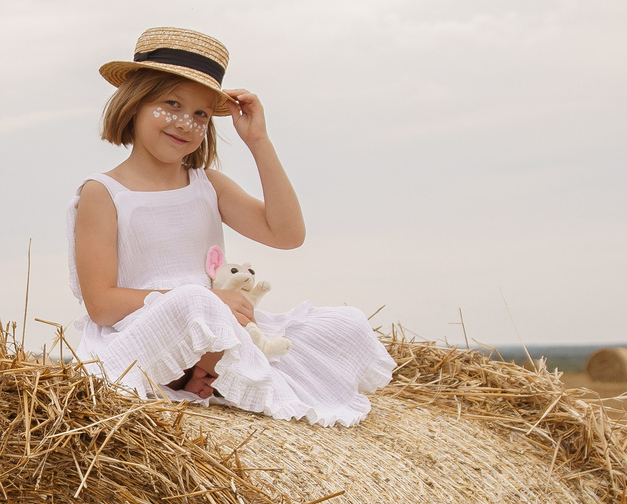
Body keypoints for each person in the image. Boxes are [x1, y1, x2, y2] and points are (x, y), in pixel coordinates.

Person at [66, 27, 394, 427]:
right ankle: (198, 368)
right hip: (145, 333)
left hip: (222, 324)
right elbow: (101, 304)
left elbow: (288, 234)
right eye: (172, 103)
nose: (186, 123)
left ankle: (211, 368)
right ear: (134, 103)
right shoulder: (105, 193)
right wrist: (205, 301)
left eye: (201, 114)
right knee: (194, 300)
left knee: (346, 323)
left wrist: (259, 142)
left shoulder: (208, 186)